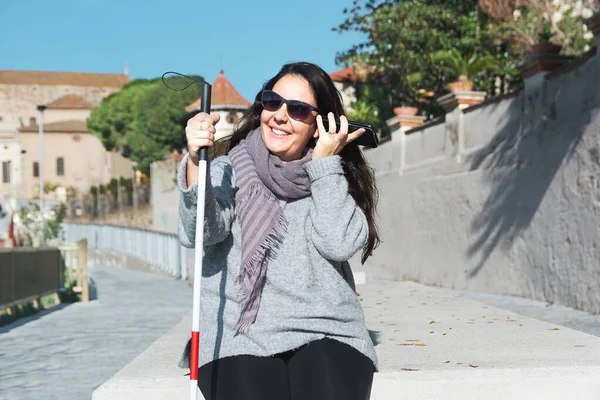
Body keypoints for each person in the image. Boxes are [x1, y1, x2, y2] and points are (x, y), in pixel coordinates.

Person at [178, 61, 380, 400]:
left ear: (320, 126)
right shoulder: (227, 169)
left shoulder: (332, 175)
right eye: (272, 101)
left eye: (298, 109)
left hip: (327, 328)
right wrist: (197, 160)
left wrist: (325, 166)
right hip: (238, 332)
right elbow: (201, 234)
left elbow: (338, 243)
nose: (280, 115)